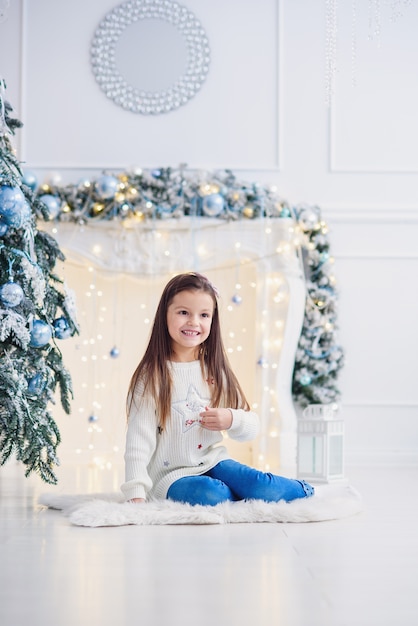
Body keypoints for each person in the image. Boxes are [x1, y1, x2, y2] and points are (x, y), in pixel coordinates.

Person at [121, 272, 314, 506]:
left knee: (261, 485)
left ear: (213, 321)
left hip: (214, 461)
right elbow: (138, 441)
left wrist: (232, 419)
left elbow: (251, 427)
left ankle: (306, 490)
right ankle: (241, 497)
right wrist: (136, 493)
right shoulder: (152, 376)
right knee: (212, 494)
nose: (194, 322)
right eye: (183, 312)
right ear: (165, 315)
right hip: (171, 476)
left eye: (204, 315)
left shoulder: (214, 370)